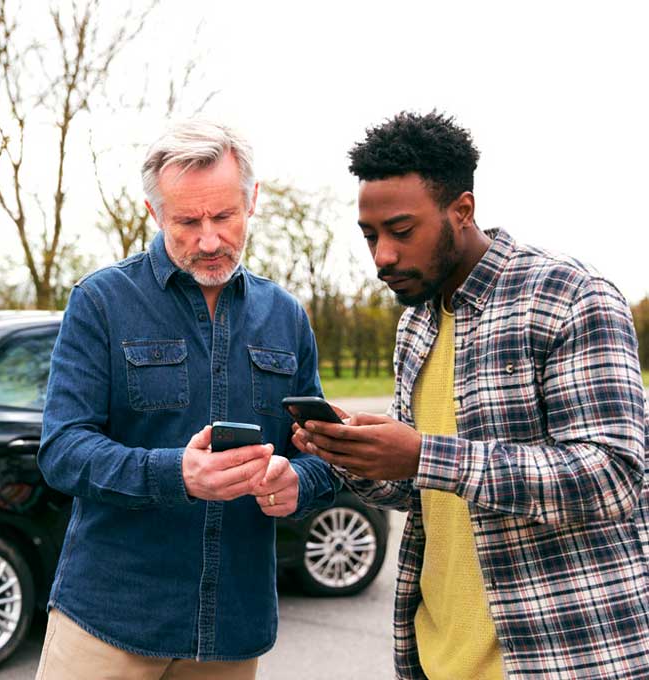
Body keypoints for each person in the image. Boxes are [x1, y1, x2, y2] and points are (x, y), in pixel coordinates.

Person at [292, 111, 649, 679]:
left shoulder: (570, 298)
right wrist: (352, 454)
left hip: (560, 658)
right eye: (369, 236)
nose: (382, 255)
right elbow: (424, 493)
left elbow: (612, 477)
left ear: (462, 210)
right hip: (437, 659)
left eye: (401, 231)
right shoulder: (417, 325)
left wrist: (423, 453)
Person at [36, 119, 337, 680]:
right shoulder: (100, 302)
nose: (208, 240)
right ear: (154, 214)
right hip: (111, 620)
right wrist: (177, 474)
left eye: (223, 217)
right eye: (186, 222)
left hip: (232, 627)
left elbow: (320, 453)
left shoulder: (287, 317)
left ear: (252, 200)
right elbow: (62, 451)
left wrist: (301, 484)